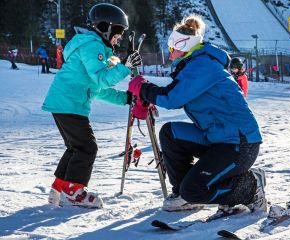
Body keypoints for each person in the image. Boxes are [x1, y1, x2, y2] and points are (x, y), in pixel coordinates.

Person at [127, 15, 266, 214]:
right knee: (170, 133)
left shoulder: (203, 65)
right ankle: (185, 195)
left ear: (183, 45)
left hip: (239, 144)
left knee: (195, 189)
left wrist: (143, 88)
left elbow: (172, 98)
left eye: (172, 47)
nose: (170, 52)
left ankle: (250, 187)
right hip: (218, 138)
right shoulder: (194, 65)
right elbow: (172, 94)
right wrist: (146, 95)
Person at [42, 3, 142, 208]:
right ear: (106, 27)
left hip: (66, 103)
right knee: (87, 147)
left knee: (75, 147)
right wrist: (125, 66)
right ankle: (74, 192)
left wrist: (126, 98)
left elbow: (99, 89)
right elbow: (101, 79)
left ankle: (59, 188)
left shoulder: (96, 48)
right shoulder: (92, 46)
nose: (119, 37)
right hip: (69, 104)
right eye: (118, 31)